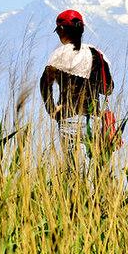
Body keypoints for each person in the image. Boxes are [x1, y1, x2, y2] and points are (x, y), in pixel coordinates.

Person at [39, 10, 116, 168]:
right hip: (95, 121)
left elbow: (44, 84)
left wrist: (52, 110)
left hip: (69, 119)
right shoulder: (97, 54)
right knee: (95, 170)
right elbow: (108, 89)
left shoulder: (59, 55)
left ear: (61, 31)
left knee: (76, 172)